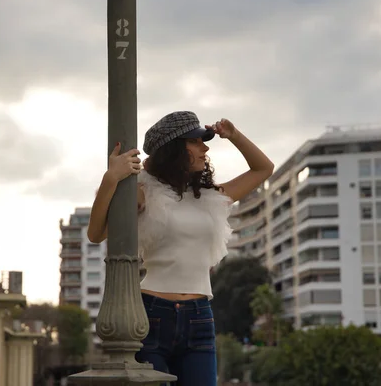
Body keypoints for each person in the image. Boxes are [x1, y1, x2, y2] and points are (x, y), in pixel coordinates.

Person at [87, 111, 274, 385]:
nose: (205, 148)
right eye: (196, 142)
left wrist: (234, 135)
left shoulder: (211, 198)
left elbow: (263, 169)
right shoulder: (144, 192)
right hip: (151, 315)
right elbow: (96, 233)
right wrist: (111, 179)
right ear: (175, 149)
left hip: (200, 316)